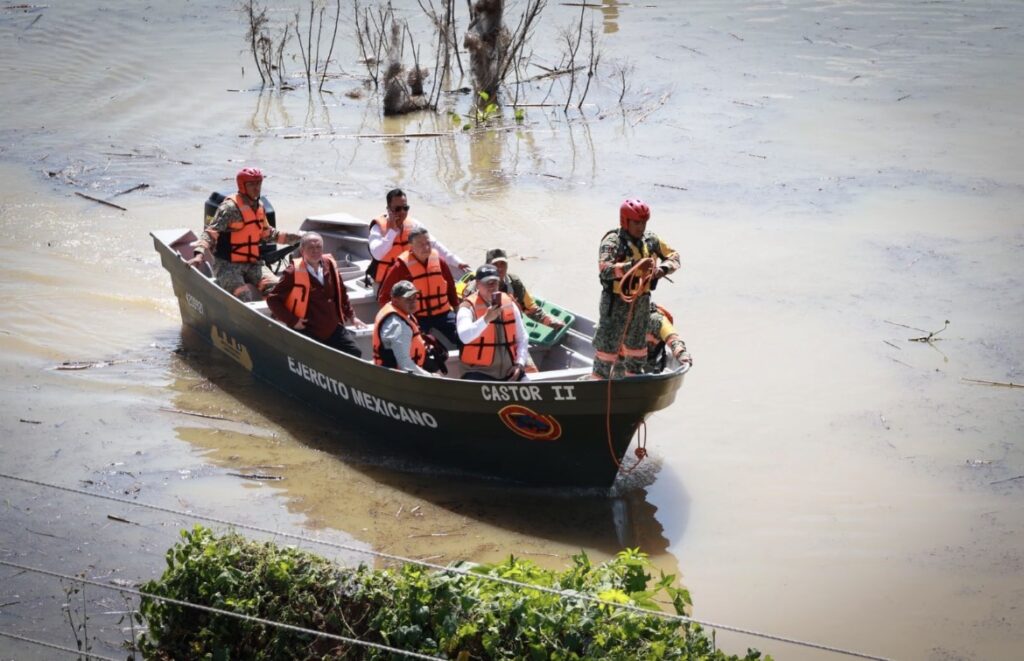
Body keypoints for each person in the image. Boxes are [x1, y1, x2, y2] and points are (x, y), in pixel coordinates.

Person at [592, 198, 681, 379]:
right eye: (636, 223)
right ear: (625, 221)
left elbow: (674, 256)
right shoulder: (612, 241)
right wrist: (632, 267)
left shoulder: (651, 240)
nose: (641, 227)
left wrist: (662, 269)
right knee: (607, 349)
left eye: (644, 223)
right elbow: (605, 270)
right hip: (616, 302)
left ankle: (634, 381)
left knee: (637, 349)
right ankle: (599, 382)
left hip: (641, 302)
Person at [188, 167, 301, 301]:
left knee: (277, 289)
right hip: (227, 265)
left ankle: (272, 312)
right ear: (242, 186)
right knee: (243, 295)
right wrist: (199, 255)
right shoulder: (229, 208)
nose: (256, 188)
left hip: (253, 264)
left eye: (258, 183)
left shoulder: (259, 207)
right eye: (251, 184)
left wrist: (298, 239)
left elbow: (268, 234)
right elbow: (211, 233)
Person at [266, 232, 365, 357]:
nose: (315, 251)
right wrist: (293, 321)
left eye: (318, 247)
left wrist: (352, 316)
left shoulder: (330, 265)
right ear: (302, 250)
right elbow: (272, 299)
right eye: (311, 248)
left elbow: (342, 292)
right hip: (308, 329)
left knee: (355, 352)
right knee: (318, 358)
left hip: (333, 327)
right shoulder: (292, 272)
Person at [377, 226, 461, 348]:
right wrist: (397, 318)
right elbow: (384, 297)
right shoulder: (400, 267)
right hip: (416, 316)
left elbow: (451, 288)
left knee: (464, 336)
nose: (426, 247)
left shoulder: (439, 261)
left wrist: (457, 311)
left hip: (443, 314)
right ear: (411, 246)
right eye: (421, 244)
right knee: (418, 345)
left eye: (428, 243)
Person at [366, 188, 468, 286]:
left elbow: (434, 244)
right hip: (386, 282)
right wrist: (392, 231)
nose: (402, 212)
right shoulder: (377, 228)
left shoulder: (413, 225)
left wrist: (457, 262)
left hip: (410, 278)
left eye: (405, 208)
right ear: (388, 209)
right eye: (397, 209)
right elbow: (377, 254)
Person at [457, 264, 530, 381]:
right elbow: (464, 336)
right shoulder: (467, 307)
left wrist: (519, 363)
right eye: (487, 282)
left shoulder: (509, 303)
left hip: (509, 370)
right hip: (478, 371)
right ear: (477, 284)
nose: (492, 286)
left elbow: (522, 337)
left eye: (495, 282)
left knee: (530, 388)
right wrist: (486, 319)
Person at [463, 248, 565, 330]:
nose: (500, 268)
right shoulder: (475, 288)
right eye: (495, 265)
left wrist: (551, 322)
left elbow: (530, 308)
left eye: (503, 264)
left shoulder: (514, 283)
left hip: (510, 328)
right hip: (484, 330)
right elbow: (466, 321)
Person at [372, 280, 441, 376]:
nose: (413, 302)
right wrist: (430, 377)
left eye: (415, 297)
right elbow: (405, 365)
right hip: (395, 378)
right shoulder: (398, 326)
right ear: (395, 300)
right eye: (408, 299)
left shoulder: (400, 311)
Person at [645, 302, 692, 373]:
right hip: (629, 368)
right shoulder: (626, 319)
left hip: (655, 366)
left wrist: (681, 353)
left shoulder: (656, 319)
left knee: (676, 361)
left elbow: (672, 339)